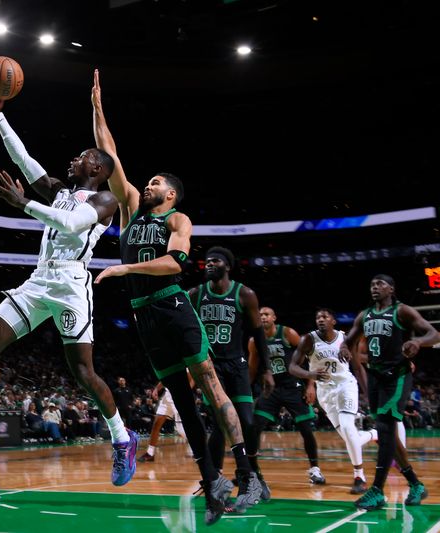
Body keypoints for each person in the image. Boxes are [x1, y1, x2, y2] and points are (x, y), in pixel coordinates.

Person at [0, 75, 139, 488]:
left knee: (83, 372)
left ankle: (122, 438)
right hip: (38, 279)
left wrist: (23, 203)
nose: (74, 160)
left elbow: (69, 223)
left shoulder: (104, 201)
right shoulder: (58, 188)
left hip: (71, 286)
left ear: (98, 169)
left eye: (82, 157)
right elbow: (21, 155)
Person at [91, 70, 261, 522]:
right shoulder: (128, 209)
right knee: (184, 407)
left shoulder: (176, 220)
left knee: (208, 381)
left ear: (170, 194)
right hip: (145, 316)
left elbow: (176, 265)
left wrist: (124, 266)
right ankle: (212, 489)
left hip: (171, 302)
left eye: (154, 184)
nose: (146, 186)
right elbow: (110, 156)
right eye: (144, 182)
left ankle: (248, 472)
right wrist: (97, 108)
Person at [339, 274, 440, 510]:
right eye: (372, 284)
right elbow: (350, 340)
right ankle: (416, 484)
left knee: (385, 430)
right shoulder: (364, 315)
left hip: (397, 376)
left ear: (391, 289)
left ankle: (376, 490)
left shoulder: (402, 311)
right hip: (375, 376)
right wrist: (345, 348)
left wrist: (418, 343)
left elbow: (433, 334)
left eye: (380, 284)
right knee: (388, 435)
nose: (375, 287)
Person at [186, 244, 275, 499]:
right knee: (218, 424)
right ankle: (216, 480)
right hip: (211, 369)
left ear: (228, 266)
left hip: (237, 366)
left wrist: (267, 370)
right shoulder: (195, 294)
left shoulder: (244, 294)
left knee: (246, 422)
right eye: (207, 261)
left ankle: (253, 474)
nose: (209, 264)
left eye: (215, 261)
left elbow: (258, 334)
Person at [289, 308, 378, 494]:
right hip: (325, 393)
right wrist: (310, 375)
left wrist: (368, 393)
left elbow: (357, 367)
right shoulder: (308, 339)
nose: (320, 320)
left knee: (347, 427)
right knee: (350, 436)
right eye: (317, 317)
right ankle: (373, 435)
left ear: (333, 321)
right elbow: (292, 367)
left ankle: (359, 477)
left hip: (346, 386)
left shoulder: (345, 339)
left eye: (324, 317)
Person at [249, 307, 325, 485]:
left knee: (306, 428)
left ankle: (315, 469)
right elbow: (252, 369)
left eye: (266, 314)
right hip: (270, 389)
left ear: (274, 317)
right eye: (260, 315)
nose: (263, 317)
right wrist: (246, 392)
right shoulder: (254, 340)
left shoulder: (288, 333)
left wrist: (310, 385)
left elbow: (308, 357)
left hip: (293, 386)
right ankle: (250, 471)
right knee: (255, 426)